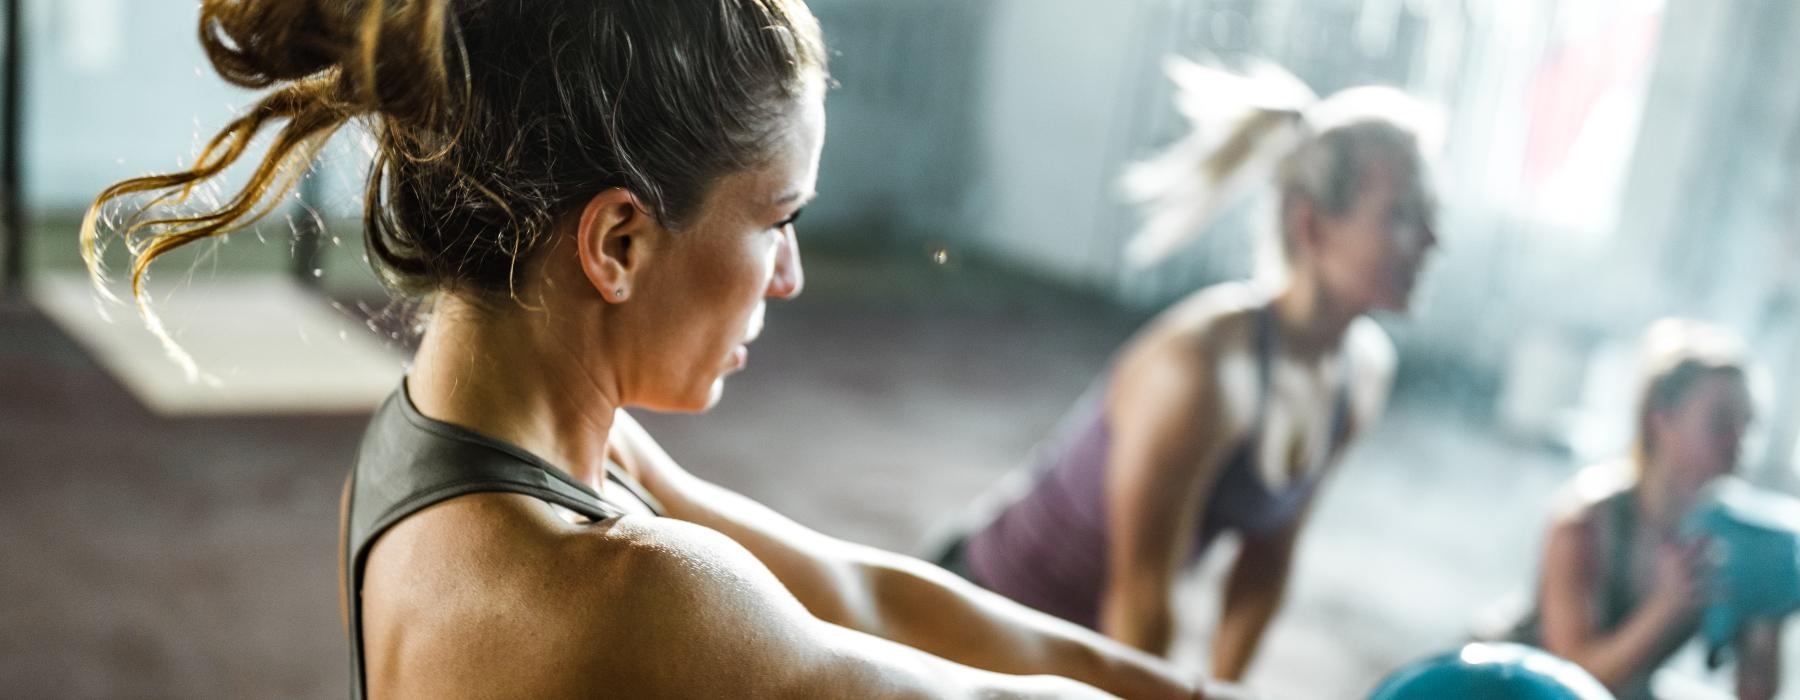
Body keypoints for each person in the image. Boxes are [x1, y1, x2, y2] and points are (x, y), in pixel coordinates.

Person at [81, 2, 1236, 697]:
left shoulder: (439, 442)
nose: (789, 274)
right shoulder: (628, 598)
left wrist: (1174, 686)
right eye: (778, 219)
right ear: (620, 240)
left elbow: (855, 590)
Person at [932, 58, 1438, 683]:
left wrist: (1226, 690)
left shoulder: (1361, 373)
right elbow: (1140, 601)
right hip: (975, 620)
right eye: (1402, 217)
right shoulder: (1202, 368)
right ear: (1311, 225)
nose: (1433, 240)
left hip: (1086, 646)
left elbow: (1266, 562)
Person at [1512, 319, 1782, 700]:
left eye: (1748, 425)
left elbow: (1758, 695)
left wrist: (1768, 614)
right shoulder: (1584, 522)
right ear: (1661, 419)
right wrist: (1667, 608)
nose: (1738, 442)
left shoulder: (1730, 538)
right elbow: (1567, 680)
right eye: (1721, 421)